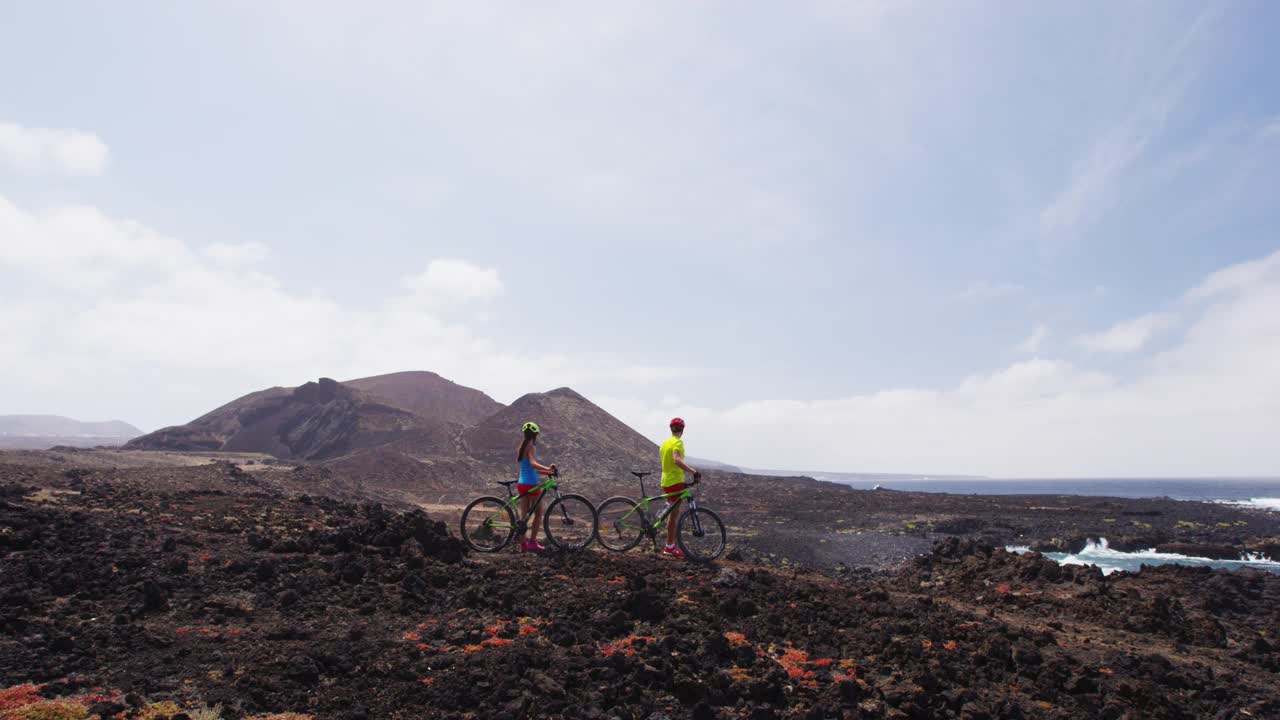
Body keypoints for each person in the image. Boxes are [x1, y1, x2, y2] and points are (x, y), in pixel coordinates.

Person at [659, 417, 700, 558]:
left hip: (665, 480)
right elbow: (676, 460)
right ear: (682, 429)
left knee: (671, 511)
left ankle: (669, 545)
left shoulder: (665, 443)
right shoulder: (677, 442)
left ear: (671, 428)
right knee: (674, 515)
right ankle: (669, 547)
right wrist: (693, 471)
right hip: (675, 481)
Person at [516, 421, 558, 552]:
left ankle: (523, 545)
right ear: (535, 434)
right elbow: (533, 464)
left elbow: (530, 467)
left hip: (521, 484)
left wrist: (546, 472)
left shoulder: (521, 447)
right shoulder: (531, 447)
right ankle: (532, 542)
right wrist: (548, 468)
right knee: (539, 513)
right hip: (531, 484)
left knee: (523, 514)